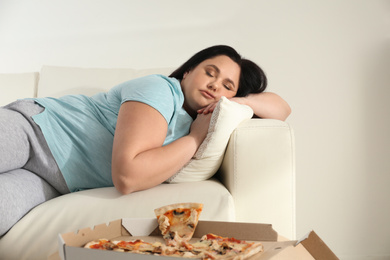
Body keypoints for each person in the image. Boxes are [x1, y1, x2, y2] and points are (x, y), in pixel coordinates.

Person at [0, 45, 291, 236]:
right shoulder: (161, 90)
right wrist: (195, 138)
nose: (215, 85)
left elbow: (282, 108)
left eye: (227, 85)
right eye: (210, 73)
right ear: (188, 72)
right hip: (33, 129)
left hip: (54, 182)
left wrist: (233, 101)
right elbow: (128, 176)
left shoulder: (202, 118)